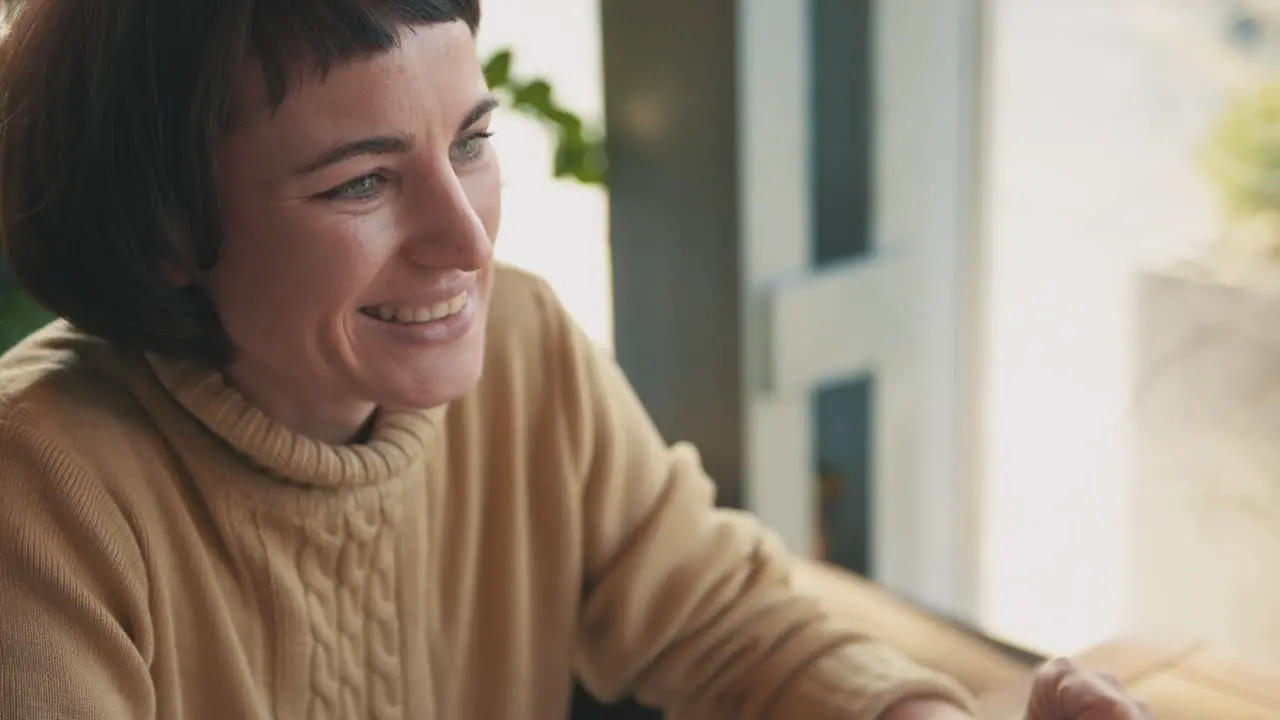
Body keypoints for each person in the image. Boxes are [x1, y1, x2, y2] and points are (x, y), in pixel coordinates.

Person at [0, 1, 1149, 718]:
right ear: (159, 234)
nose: (466, 242)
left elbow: (718, 622)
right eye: (360, 181)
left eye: (472, 144)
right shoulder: (39, 494)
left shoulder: (523, 347)